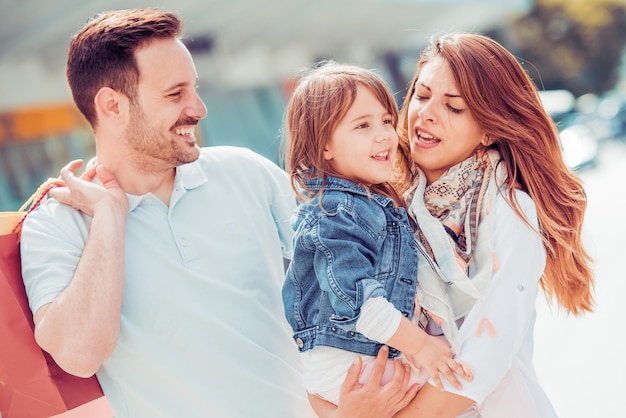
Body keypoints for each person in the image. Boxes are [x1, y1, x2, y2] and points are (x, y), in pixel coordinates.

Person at [19, 8, 316, 418]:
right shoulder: (56, 226)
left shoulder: (246, 172)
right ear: (112, 106)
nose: (198, 108)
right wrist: (109, 217)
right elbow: (78, 355)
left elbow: (347, 267)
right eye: (175, 94)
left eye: (194, 89)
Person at [312, 32, 595, 418]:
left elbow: (484, 358)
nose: (426, 114)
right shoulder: (384, 207)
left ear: (490, 128)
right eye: (422, 95)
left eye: (454, 107)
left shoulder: (511, 210)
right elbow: (318, 327)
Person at [281, 61, 472, 408]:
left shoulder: (369, 202)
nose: (384, 134)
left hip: (367, 355)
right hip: (351, 362)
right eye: (363, 125)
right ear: (324, 146)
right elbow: (360, 306)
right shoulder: (334, 213)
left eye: (386, 120)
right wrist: (423, 346)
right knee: (467, 368)